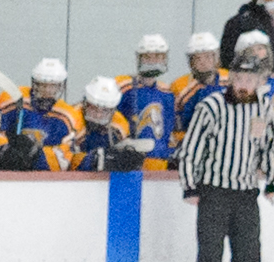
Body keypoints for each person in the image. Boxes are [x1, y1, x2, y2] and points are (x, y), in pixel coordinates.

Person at [178, 40, 274, 262]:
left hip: (246, 193)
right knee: (211, 253)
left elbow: (268, 148)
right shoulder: (211, 106)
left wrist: (272, 181)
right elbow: (191, 149)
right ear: (230, 77)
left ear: (259, 80)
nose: (244, 84)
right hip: (214, 191)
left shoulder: (264, 106)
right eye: (239, 78)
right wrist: (190, 186)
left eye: (250, 79)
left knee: (248, 254)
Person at [0, 58, 81, 171]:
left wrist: (34, 155)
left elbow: (65, 157)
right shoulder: (10, 99)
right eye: (43, 85)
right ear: (34, 83)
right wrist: (4, 151)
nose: (47, 91)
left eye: (53, 86)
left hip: (43, 181)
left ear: (61, 87)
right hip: (4, 174)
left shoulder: (68, 116)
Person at [114, 35, 177, 169]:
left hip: (159, 163)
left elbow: (167, 133)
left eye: (158, 57)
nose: (153, 61)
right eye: (148, 57)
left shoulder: (167, 93)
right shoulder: (123, 86)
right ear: (139, 58)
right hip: (131, 163)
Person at [68, 77, 139, 172]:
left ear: (113, 110)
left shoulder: (120, 124)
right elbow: (67, 159)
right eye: (94, 108)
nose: (98, 115)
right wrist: (97, 160)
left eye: (105, 110)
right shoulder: (71, 118)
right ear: (85, 103)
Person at [171, 31, 227, 150]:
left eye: (208, 56)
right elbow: (175, 126)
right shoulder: (179, 86)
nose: (203, 61)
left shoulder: (231, 80)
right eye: (198, 58)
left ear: (216, 57)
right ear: (191, 61)